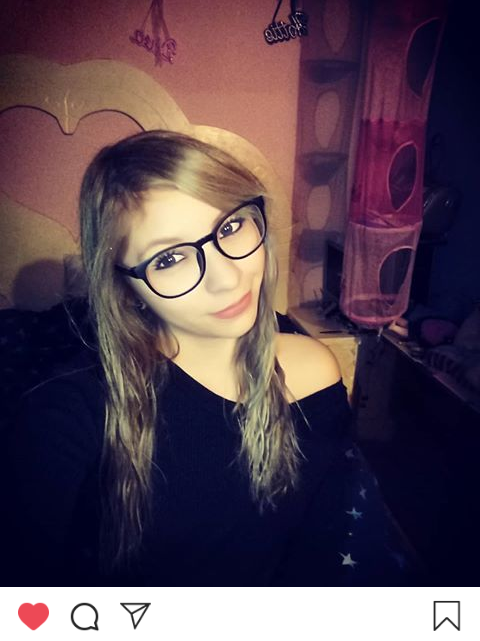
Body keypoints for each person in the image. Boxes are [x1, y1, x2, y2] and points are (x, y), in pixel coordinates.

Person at [8, 130, 421, 587]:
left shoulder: (313, 372)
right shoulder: (70, 412)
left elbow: (325, 544)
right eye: (169, 259)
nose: (227, 278)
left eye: (229, 227)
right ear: (124, 286)